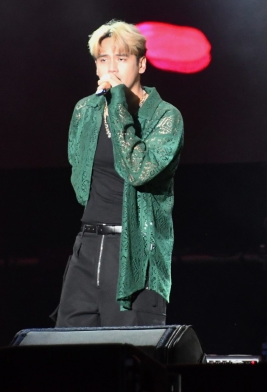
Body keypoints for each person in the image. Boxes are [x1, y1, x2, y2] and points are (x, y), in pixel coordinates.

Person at [55, 20, 184, 327]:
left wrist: (117, 106)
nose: (111, 67)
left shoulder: (165, 117)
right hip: (87, 245)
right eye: (103, 60)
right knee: (66, 346)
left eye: (122, 58)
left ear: (141, 64)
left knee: (129, 349)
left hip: (134, 250)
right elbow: (79, 175)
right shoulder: (86, 110)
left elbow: (137, 171)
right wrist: (103, 107)